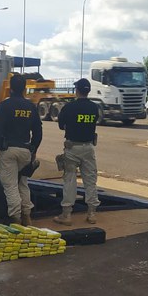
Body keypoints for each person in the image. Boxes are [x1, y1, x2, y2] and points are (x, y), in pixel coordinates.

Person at [0, 73, 42, 226]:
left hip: (9, 151)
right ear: (24, 89)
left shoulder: (5, 106)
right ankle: (27, 216)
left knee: (10, 185)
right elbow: (38, 132)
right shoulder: (31, 107)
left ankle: (16, 218)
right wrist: (33, 150)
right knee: (23, 183)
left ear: (10, 88)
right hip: (25, 150)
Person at [53, 78, 101, 226]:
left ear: (77, 90)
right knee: (90, 180)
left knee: (70, 180)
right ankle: (92, 214)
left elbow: (61, 125)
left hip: (72, 148)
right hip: (89, 147)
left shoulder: (69, 107)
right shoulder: (94, 108)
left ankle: (66, 214)